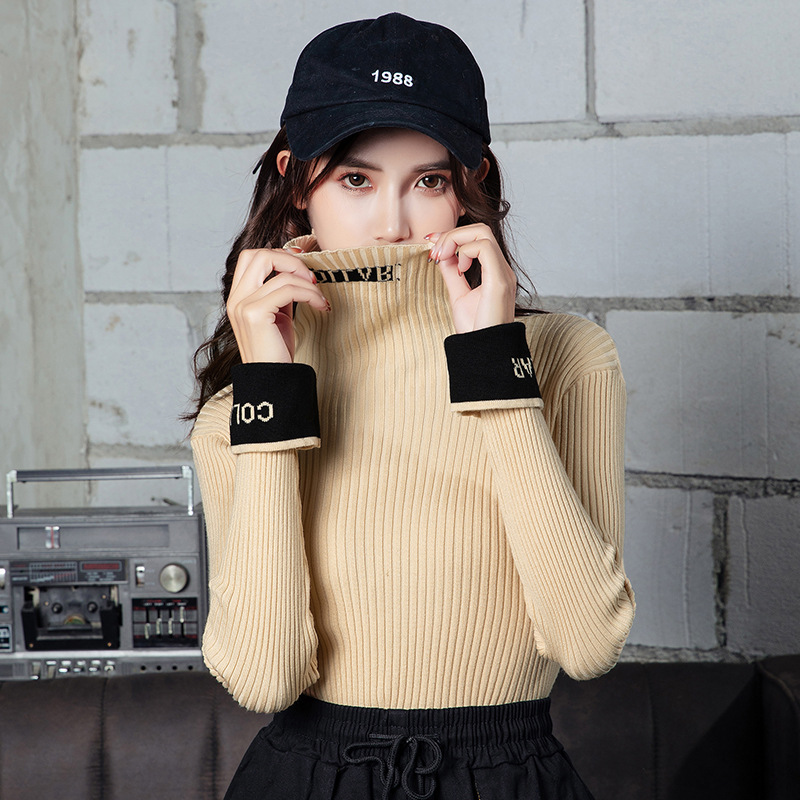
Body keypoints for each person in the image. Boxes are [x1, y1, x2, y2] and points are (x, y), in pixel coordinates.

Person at [188, 12, 635, 799]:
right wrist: (272, 385)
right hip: (306, 778)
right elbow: (265, 676)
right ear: (296, 181)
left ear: (473, 184)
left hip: (506, 776)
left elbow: (587, 643)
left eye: (429, 181)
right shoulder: (244, 400)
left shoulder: (568, 358)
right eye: (355, 180)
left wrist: (492, 363)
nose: (393, 224)